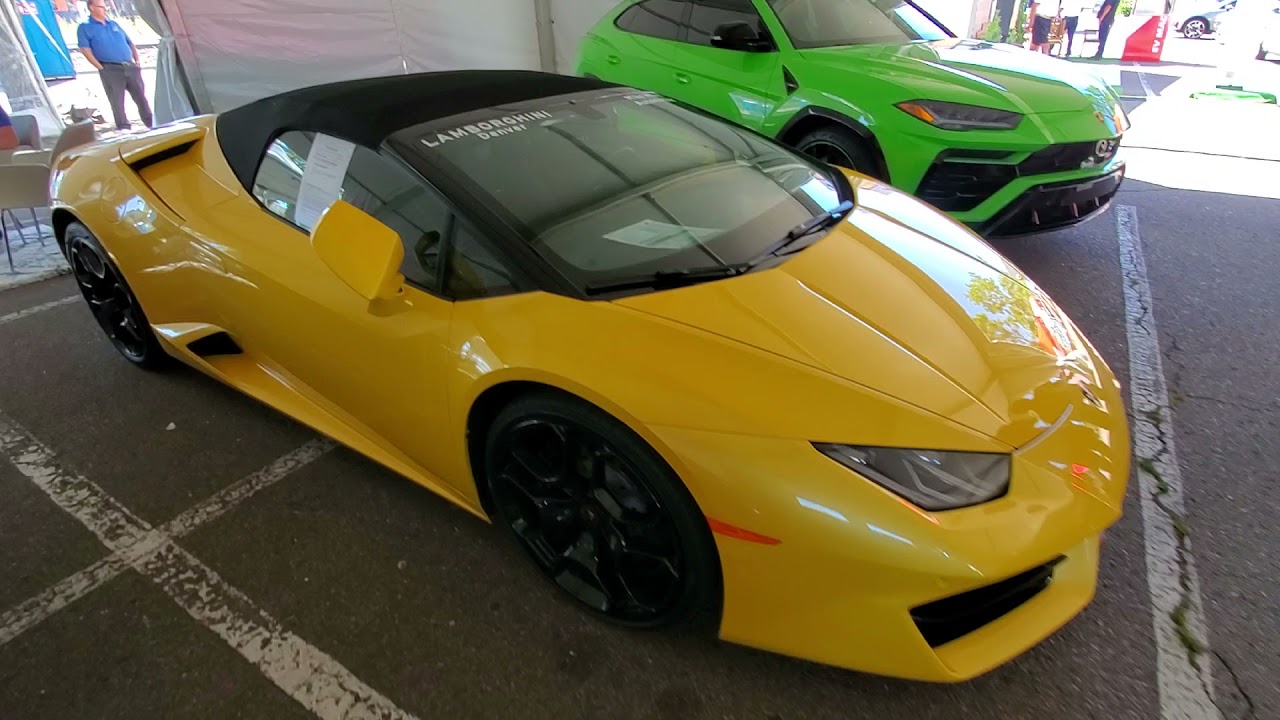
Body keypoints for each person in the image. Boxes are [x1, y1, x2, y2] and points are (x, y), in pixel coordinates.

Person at [76, 0, 152, 131]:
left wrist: (137, 60)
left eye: (105, 7)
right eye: (101, 7)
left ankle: (151, 123)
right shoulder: (85, 27)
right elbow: (85, 49)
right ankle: (124, 127)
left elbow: (129, 42)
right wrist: (100, 67)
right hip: (110, 69)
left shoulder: (113, 24)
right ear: (91, 8)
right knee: (117, 101)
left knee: (141, 97)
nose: (105, 10)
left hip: (129, 66)